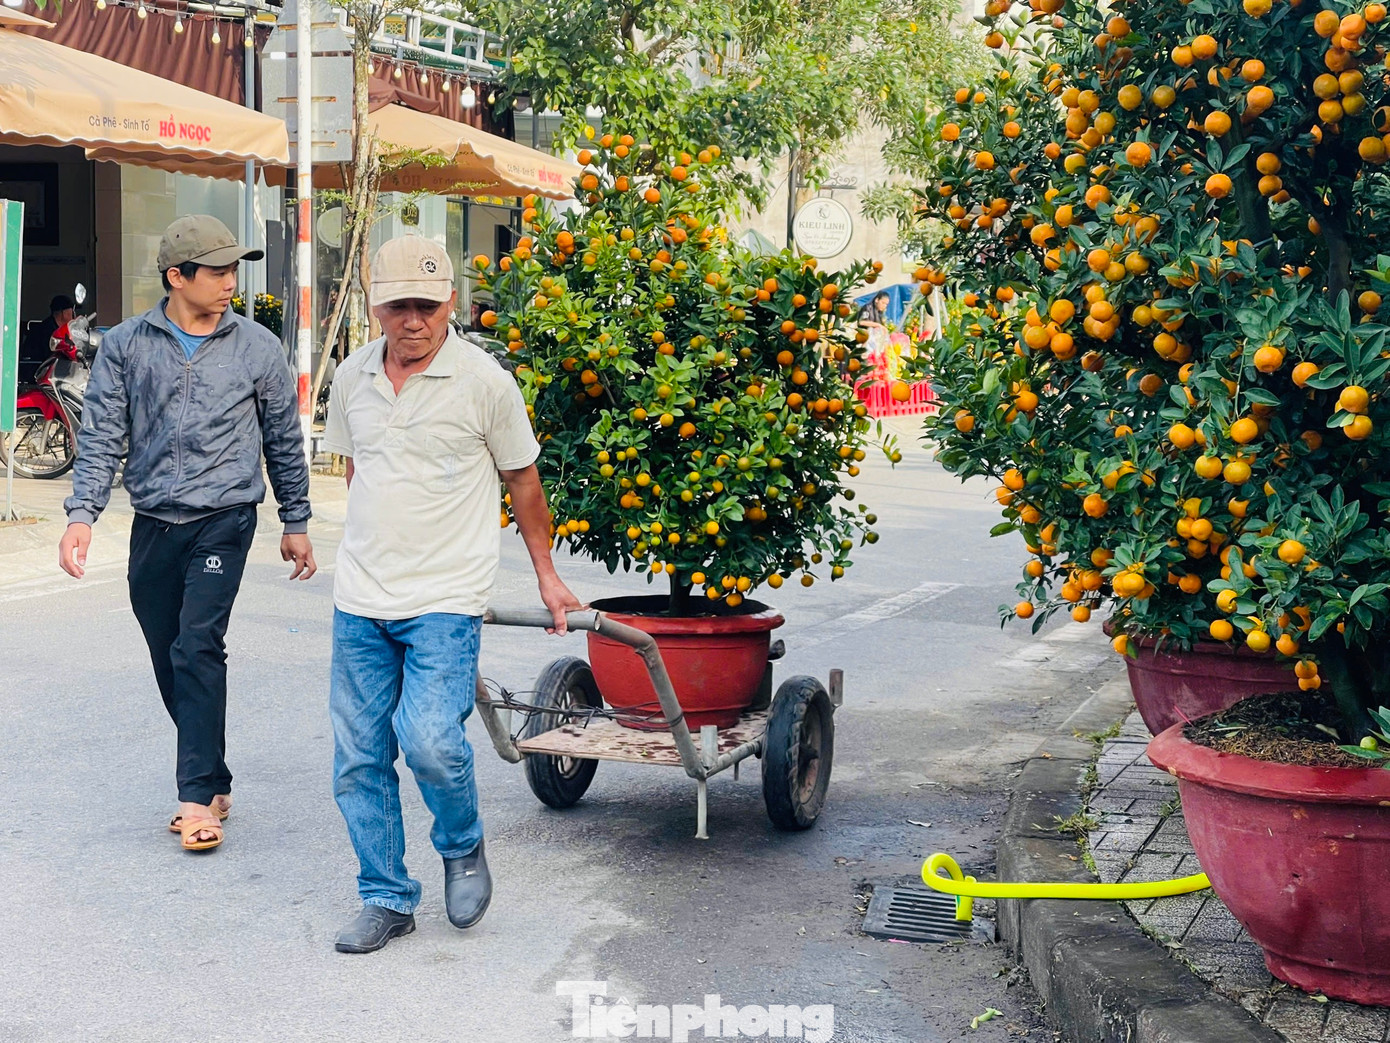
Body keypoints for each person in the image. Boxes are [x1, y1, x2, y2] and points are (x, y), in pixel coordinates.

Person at [321, 234, 581, 954]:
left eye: (428, 306)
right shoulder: (351, 378)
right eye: (400, 305)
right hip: (361, 599)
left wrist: (547, 576)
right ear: (376, 307)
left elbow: (523, 481)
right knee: (358, 757)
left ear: (450, 305)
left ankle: (462, 844)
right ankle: (385, 895)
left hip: (444, 599)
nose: (414, 320)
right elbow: (359, 470)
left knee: (431, 742)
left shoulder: (485, 381)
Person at [59, 215, 315, 853]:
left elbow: (283, 439)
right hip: (153, 519)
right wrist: (81, 516)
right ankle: (215, 771)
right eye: (219, 270)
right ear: (177, 276)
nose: (232, 282)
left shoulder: (257, 346)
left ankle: (195, 799)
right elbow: (101, 436)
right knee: (166, 648)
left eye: (235, 269)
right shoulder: (125, 345)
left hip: (224, 519)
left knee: (197, 644)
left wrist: (296, 519)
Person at [19, 293, 75, 382]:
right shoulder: (46, 331)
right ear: (64, 313)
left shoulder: (54, 328)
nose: (73, 315)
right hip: (37, 374)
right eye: (71, 311)